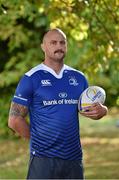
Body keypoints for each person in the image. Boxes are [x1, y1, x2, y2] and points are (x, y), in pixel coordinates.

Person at [8, 28, 108, 179]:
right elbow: (14, 120)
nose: (58, 46)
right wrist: (38, 141)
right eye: (53, 42)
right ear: (43, 46)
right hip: (43, 159)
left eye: (62, 42)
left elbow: (88, 109)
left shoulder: (79, 78)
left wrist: (103, 111)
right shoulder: (31, 77)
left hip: (74, 158)